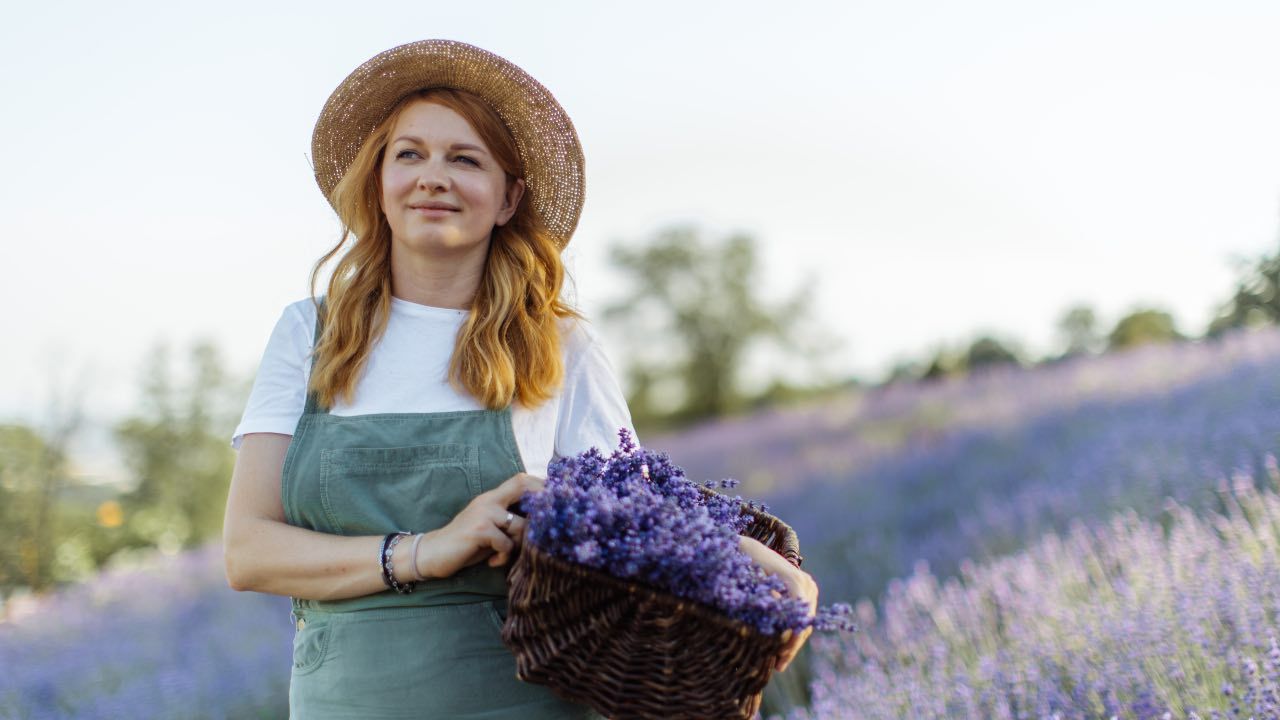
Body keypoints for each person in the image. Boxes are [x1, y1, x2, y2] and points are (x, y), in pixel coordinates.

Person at [222, 39, 818, 719]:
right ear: (377, 184)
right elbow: (249, 551)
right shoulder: (311, 335)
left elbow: (639, 530)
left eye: (465, 159)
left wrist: (777, 580)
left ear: (509, 198)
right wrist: (427, 551)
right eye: (408, 154)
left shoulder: (559, 345)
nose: (432, 177)